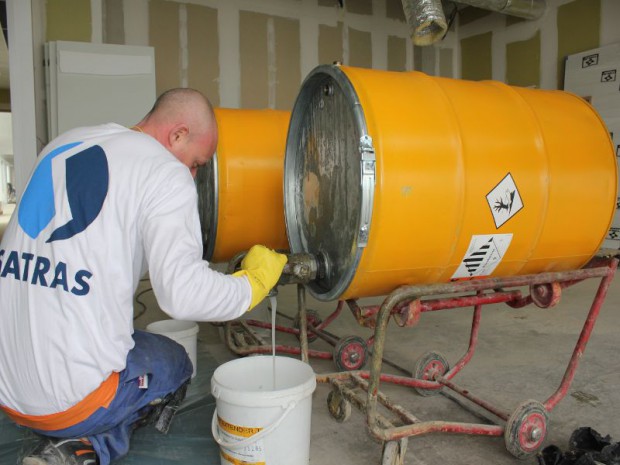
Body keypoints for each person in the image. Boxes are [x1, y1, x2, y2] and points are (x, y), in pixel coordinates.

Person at [0, 88, 287, 465]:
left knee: (120, 337)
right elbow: (182, 296)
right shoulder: (167, 172)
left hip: (7, 390)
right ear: (178, 135)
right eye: (197, 163)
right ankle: (81, 449)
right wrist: (251, 285)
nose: (193, 173)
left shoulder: (64, 143)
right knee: (175, 362)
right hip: (69, 403)